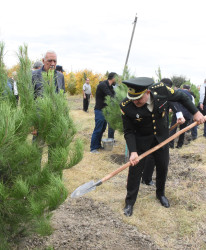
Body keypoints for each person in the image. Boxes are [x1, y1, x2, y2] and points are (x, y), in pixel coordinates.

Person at [120, 77, 205, 217]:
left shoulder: (161, 89)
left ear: (147, 92)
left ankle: (160, 194)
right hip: (141, 140)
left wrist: (195, 112)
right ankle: (129, 202)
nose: (135, 102)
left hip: (162, 138)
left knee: (162, 167)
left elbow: (182, 97)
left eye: (138, 99)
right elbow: (128, 131)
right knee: (135, 171)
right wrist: (133, 151)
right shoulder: (126, 105)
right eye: (132, 99)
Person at [90, 72, 117, 153]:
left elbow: (115, 96)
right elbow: (110, 96)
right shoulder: (103, 85)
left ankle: (98, 145)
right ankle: (93, 148)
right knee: (98, 129)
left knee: (102, 129)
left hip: (105, 111)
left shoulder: (111, 86)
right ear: (113, 78)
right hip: (99, 110)